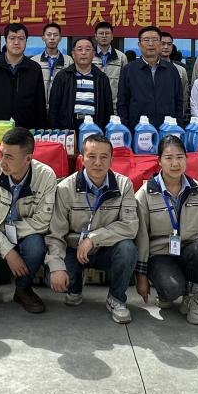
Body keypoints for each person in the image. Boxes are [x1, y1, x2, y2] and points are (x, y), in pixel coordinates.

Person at [46, 134, 138, 324]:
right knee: (53, 278)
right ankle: (74, 287)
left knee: (127, 248)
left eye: (104, 157)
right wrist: (56, 268)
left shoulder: (124, 185)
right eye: (91, 156)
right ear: (81, 159)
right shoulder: (65, 188)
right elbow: (56, 234)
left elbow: (130, 226)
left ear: (111, 160)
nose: (97, 163)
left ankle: (116, 299)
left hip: (106, 249)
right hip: (74, 249)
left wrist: (93, 239)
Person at [0, 127, 58, 313]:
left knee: (36, 247)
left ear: (28, 159)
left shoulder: (46, 176)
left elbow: (43, 222)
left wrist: (9, 233)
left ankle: (23, 289)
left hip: (27, 233)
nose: (2, 161)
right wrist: (8, 251)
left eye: (9, 157)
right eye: (0, 154)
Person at [134, 135, 198, 324]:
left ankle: (193, 298)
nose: (175, 163)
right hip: (160, 255)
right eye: (169, 158)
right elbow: (141, 239)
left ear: (186, 159)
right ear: (159, 161)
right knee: (171, 289)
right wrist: (141, 276)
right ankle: (167, 292)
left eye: (180, 157)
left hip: (190, 251)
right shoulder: (145, 194)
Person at [0, 23, 47, 127]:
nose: (16, 42)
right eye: (12, 38)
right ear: (5, 40)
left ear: (26, 41)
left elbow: (40, 103)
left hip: (25, 129)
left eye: (21, 38)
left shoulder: (34, 68)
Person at [116, 25, 183, 130]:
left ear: (160, 44)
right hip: (137, 129)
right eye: (146, 40)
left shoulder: (171, 69)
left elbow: (178, 101)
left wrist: (178, 126)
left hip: (167, 128)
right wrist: (126, 128)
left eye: (155, 40)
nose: (151, 44)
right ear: (139, 44)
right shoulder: (129, 70)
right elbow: (122, 103)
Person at [49, 36, 115, 130]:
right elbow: (53, 108)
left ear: (93, 54)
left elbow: (108, 109)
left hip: (95, 129)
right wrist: (56, 131)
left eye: (88, 49)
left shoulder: (102, 78)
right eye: (79, 49)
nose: (83, 53)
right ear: (73, 54)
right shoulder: (62, 76)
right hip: (68, 129)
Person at [32, 22, 73, 96]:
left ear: (60, 38)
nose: (52, 38)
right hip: (41, 101)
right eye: (49, 35)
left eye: (55, 35)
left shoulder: (68, 60)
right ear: (43, 38)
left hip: (61, 102)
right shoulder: (34, 61)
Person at [93, 20, 127, 103]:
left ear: (112, 36)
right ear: (96, 36)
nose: (104, 36)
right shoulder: (89, 55)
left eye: (107, 33)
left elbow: (125, 83)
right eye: (101, 33)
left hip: (114, 104)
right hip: (93, 102)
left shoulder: (121, 57)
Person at [159, 30, 189, 105]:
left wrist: (181, 110)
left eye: (169, 44)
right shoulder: (149, 67)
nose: (166, 47)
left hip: (173, 110)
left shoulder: (181, 70)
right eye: (162, 44)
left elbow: (184, 95)